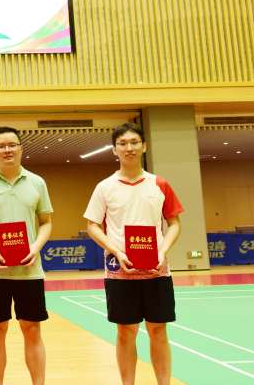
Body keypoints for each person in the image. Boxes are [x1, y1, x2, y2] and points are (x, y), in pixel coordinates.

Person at [84, 123, 183, 385]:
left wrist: (162, 251)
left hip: (156, 271)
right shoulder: (105, 187)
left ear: (144, 146)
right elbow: (93, 226)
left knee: (158, 331)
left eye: (134, 142)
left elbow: (174, 223)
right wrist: (116, 251)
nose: (129, 147)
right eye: (123, 143)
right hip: (120, 272)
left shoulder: (159, 184)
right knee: (126, 332)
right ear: (114, 149)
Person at [0, 126, 53, 385]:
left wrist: (35, 247)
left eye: (12, 145)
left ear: (21, 148)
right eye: (1, 146)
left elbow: (46, 223)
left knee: (32, 330)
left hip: (30, 271)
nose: (7, 150)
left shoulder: (37, 182)